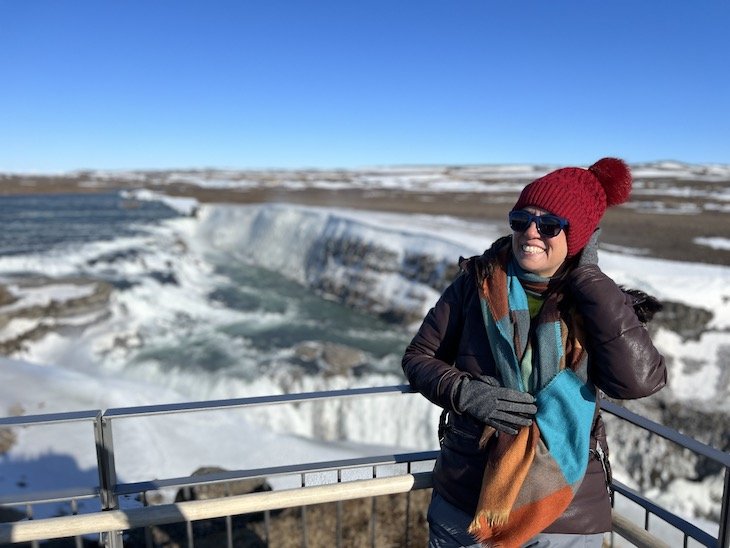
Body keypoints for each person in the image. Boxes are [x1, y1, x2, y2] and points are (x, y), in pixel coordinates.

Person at [402, 158, 667, 548]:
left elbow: (638, 381)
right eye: (520, 219)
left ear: (577, 236)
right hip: (467, 498)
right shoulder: (473, 285)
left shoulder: (596, 302)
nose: (530, 233)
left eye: (549, 225)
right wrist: (465, 392)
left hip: (565, 515)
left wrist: (589, 279)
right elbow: (418, 357)